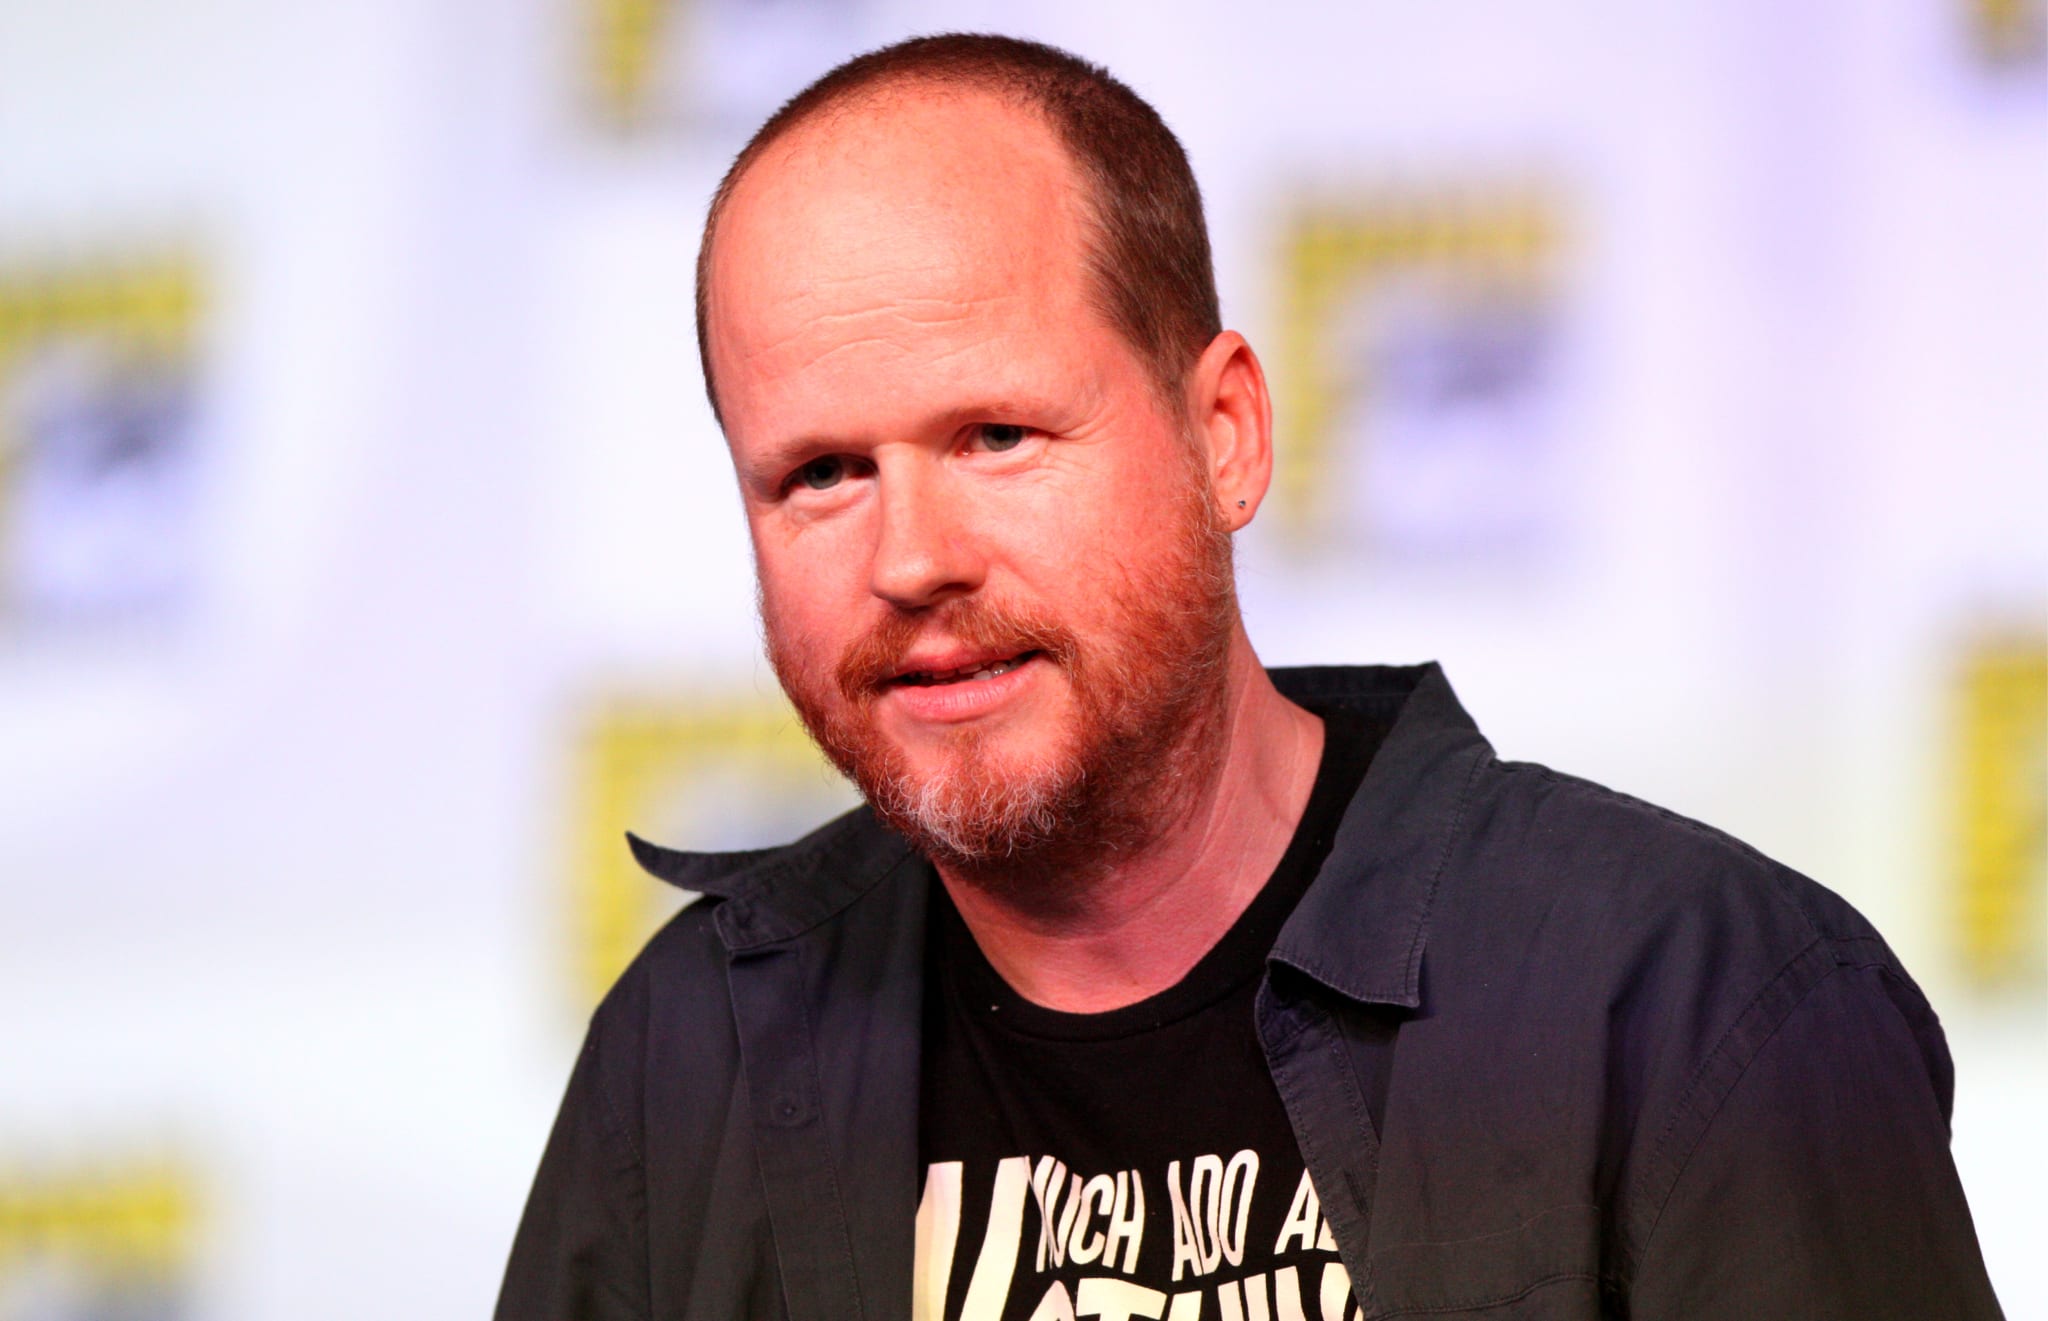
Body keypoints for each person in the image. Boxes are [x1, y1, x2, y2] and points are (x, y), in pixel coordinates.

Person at [497, 33, 2001, 1321]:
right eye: (820, 474)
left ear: (1225, 436)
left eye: (998, 437)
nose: (912, 558)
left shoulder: (1692, 1001)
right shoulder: (689, 1055)